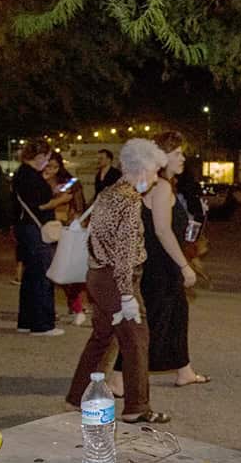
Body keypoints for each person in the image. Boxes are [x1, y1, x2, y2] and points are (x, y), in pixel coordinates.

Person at [66, 138, 171, 424]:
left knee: (101, 338)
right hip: (116, 280)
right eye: (153, 173)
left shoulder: (108, 194)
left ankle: (77, 397)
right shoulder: (129, 201)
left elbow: (97, 238)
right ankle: (137, 407)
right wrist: (127, 296)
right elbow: (124, 253)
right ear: (141, 170)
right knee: (136, 340)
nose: (154, 180)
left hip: (98, 277)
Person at [111, 131, 206, 389]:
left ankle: (184, 370)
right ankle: (119, 376)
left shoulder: (155, 184)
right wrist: (185, 266)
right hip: (160, 265)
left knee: (176, 315)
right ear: (161, 157)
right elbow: (163, 231)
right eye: (177, 154)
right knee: (154, 319)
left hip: (155, 263)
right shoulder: (161, 187)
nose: (183, 158)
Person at [11, 139, 68, 336]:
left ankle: (26, 321)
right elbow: (40, 205)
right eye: (47, 158)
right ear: (40, 157)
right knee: (43, 275)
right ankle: (42, 324)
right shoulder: (31, 176)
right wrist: (60, 199)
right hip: (35, 228)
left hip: (25, 228)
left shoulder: (21, 174)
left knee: (30, 275)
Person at [44, 151, 89, 326]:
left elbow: (77, 205)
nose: (52, 170)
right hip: (46, 229)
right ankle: (53, 309)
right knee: (49, 272)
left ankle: (77, 307)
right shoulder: (38, 181)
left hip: (64, 229)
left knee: (67, 272)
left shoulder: (69, 182)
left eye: (55, 167)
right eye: (49, 166)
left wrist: (76, 221)